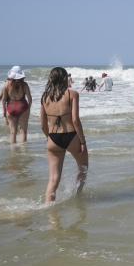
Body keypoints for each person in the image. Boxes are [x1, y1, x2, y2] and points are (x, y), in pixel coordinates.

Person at [40, 67, 88, 202]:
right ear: (65, 78)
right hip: (71, 136)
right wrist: (83, 142)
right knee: (83, 170)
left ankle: (50, 213)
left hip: (53, 138)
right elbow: (75, 120)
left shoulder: (44, 97)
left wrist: (49, 139)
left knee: (53, 180)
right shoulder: (72, 94)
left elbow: (43, 125)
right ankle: (77, 198)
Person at [2, 66, 32, 144]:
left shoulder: (7, 84)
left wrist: (4, 111)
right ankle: (23, 152)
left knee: (12, 133)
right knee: (23, 132)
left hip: (10, 107)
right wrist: (28, 107)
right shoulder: (24, 85)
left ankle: (13, 152)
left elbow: (4, 99)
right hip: (23, 106)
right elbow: (30, 98)